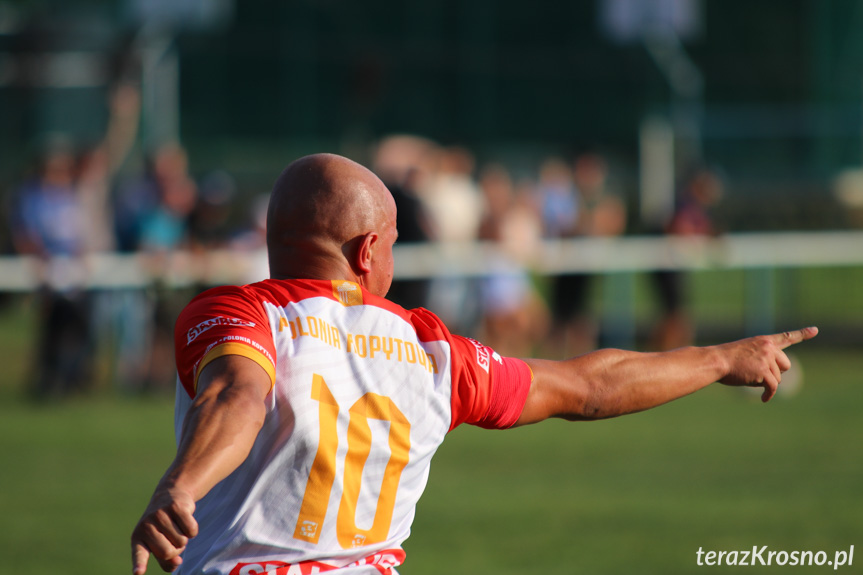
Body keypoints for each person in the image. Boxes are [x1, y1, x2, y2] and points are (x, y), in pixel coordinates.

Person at [131, 153, 818, 575]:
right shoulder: (433, 351)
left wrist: (182, 486)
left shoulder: (238, 312)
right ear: (368, 249)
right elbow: (588, 385)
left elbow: (240, 395)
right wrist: (721, 357)